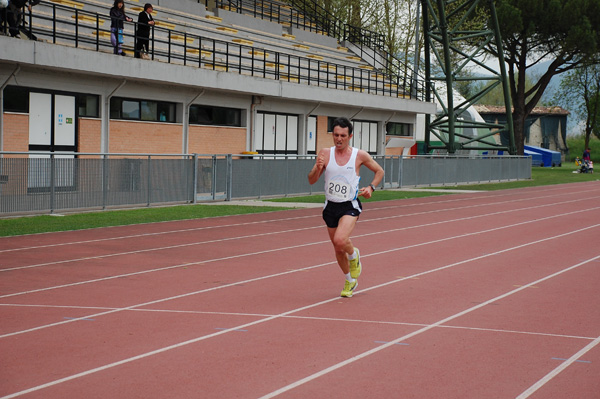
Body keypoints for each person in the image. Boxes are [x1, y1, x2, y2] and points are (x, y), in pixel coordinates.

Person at [308, 117, 384, 298]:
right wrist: (318, 168)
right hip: (330, 206)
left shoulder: (359, 155)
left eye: (343, 135)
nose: (339, 139)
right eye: (336, 135)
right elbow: (311, 179)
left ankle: (354, 255)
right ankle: (350, 280)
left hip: (349, 204)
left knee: (341, 240)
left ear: (350, 136)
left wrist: (371, 187)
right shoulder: (325, 153)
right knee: (337, 248)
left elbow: (379, 171)